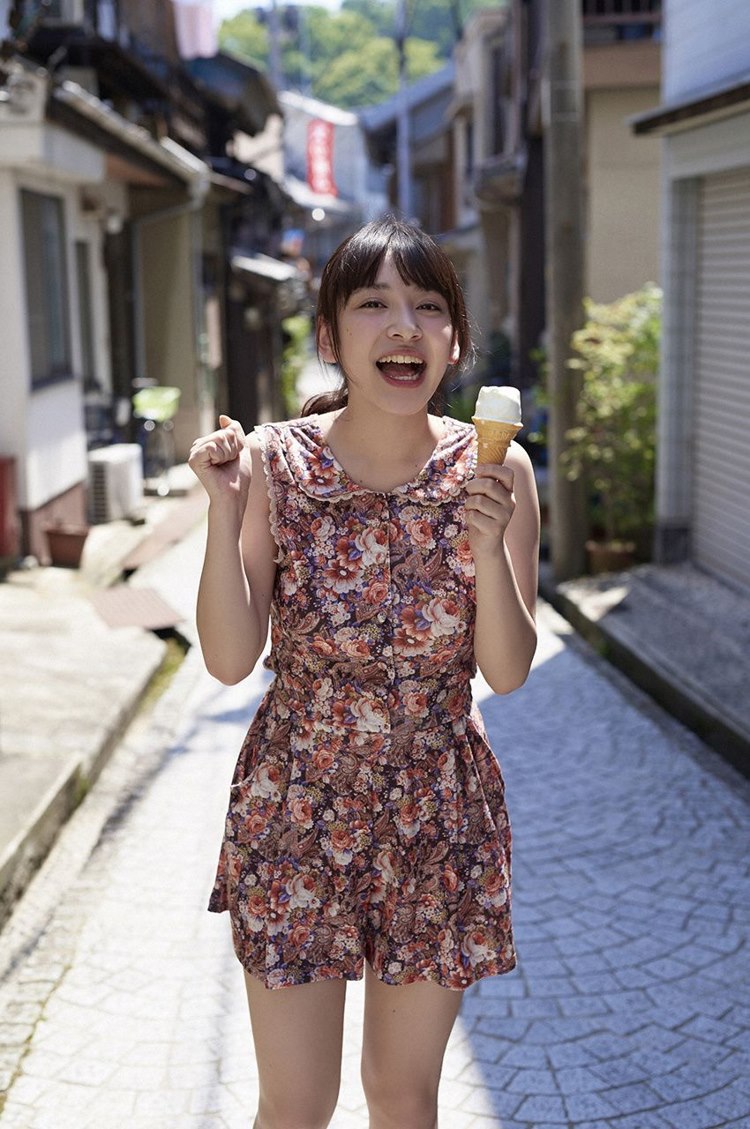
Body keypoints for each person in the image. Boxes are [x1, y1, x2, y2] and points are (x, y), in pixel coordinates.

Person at [188, 216, 540, 1129]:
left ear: (455, 338)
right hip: (298, 799)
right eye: (374, 303)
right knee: (297, 1103)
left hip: (438, 808)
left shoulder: (499, 470)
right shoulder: (274, 464)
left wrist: (490, 545)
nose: (403, 327)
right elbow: (229, 661)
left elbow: (506, 671)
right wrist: (223, 518)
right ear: (332, 334)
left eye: (428, 307)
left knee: (401, 1095)